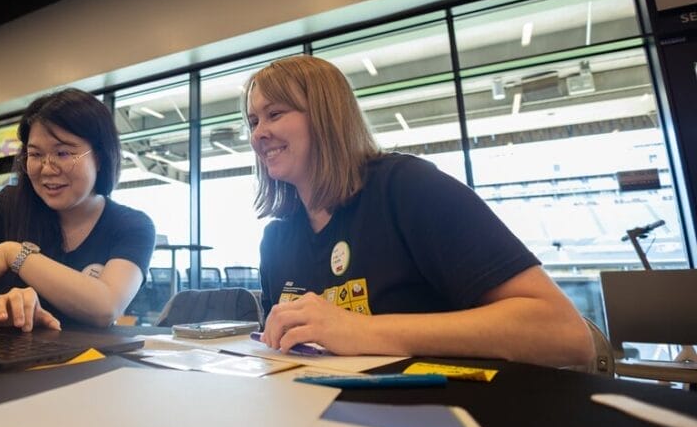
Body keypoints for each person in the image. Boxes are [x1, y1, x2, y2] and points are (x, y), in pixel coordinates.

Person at [245, 55, 593, 367]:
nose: (259, 133)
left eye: (274, 114)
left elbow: (563, 332)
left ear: (326, 116)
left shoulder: (407, 187)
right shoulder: (276, 239)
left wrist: (363, 331)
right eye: (253, 121)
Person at [0, 88, 156, 329]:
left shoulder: (132, 225)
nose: (47, 168)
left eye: (63, 153)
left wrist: (12, 254)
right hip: (7, 357)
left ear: (100, 157)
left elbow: (106, 306)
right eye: (35, 154)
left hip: (92, 362)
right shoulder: (8, 205)